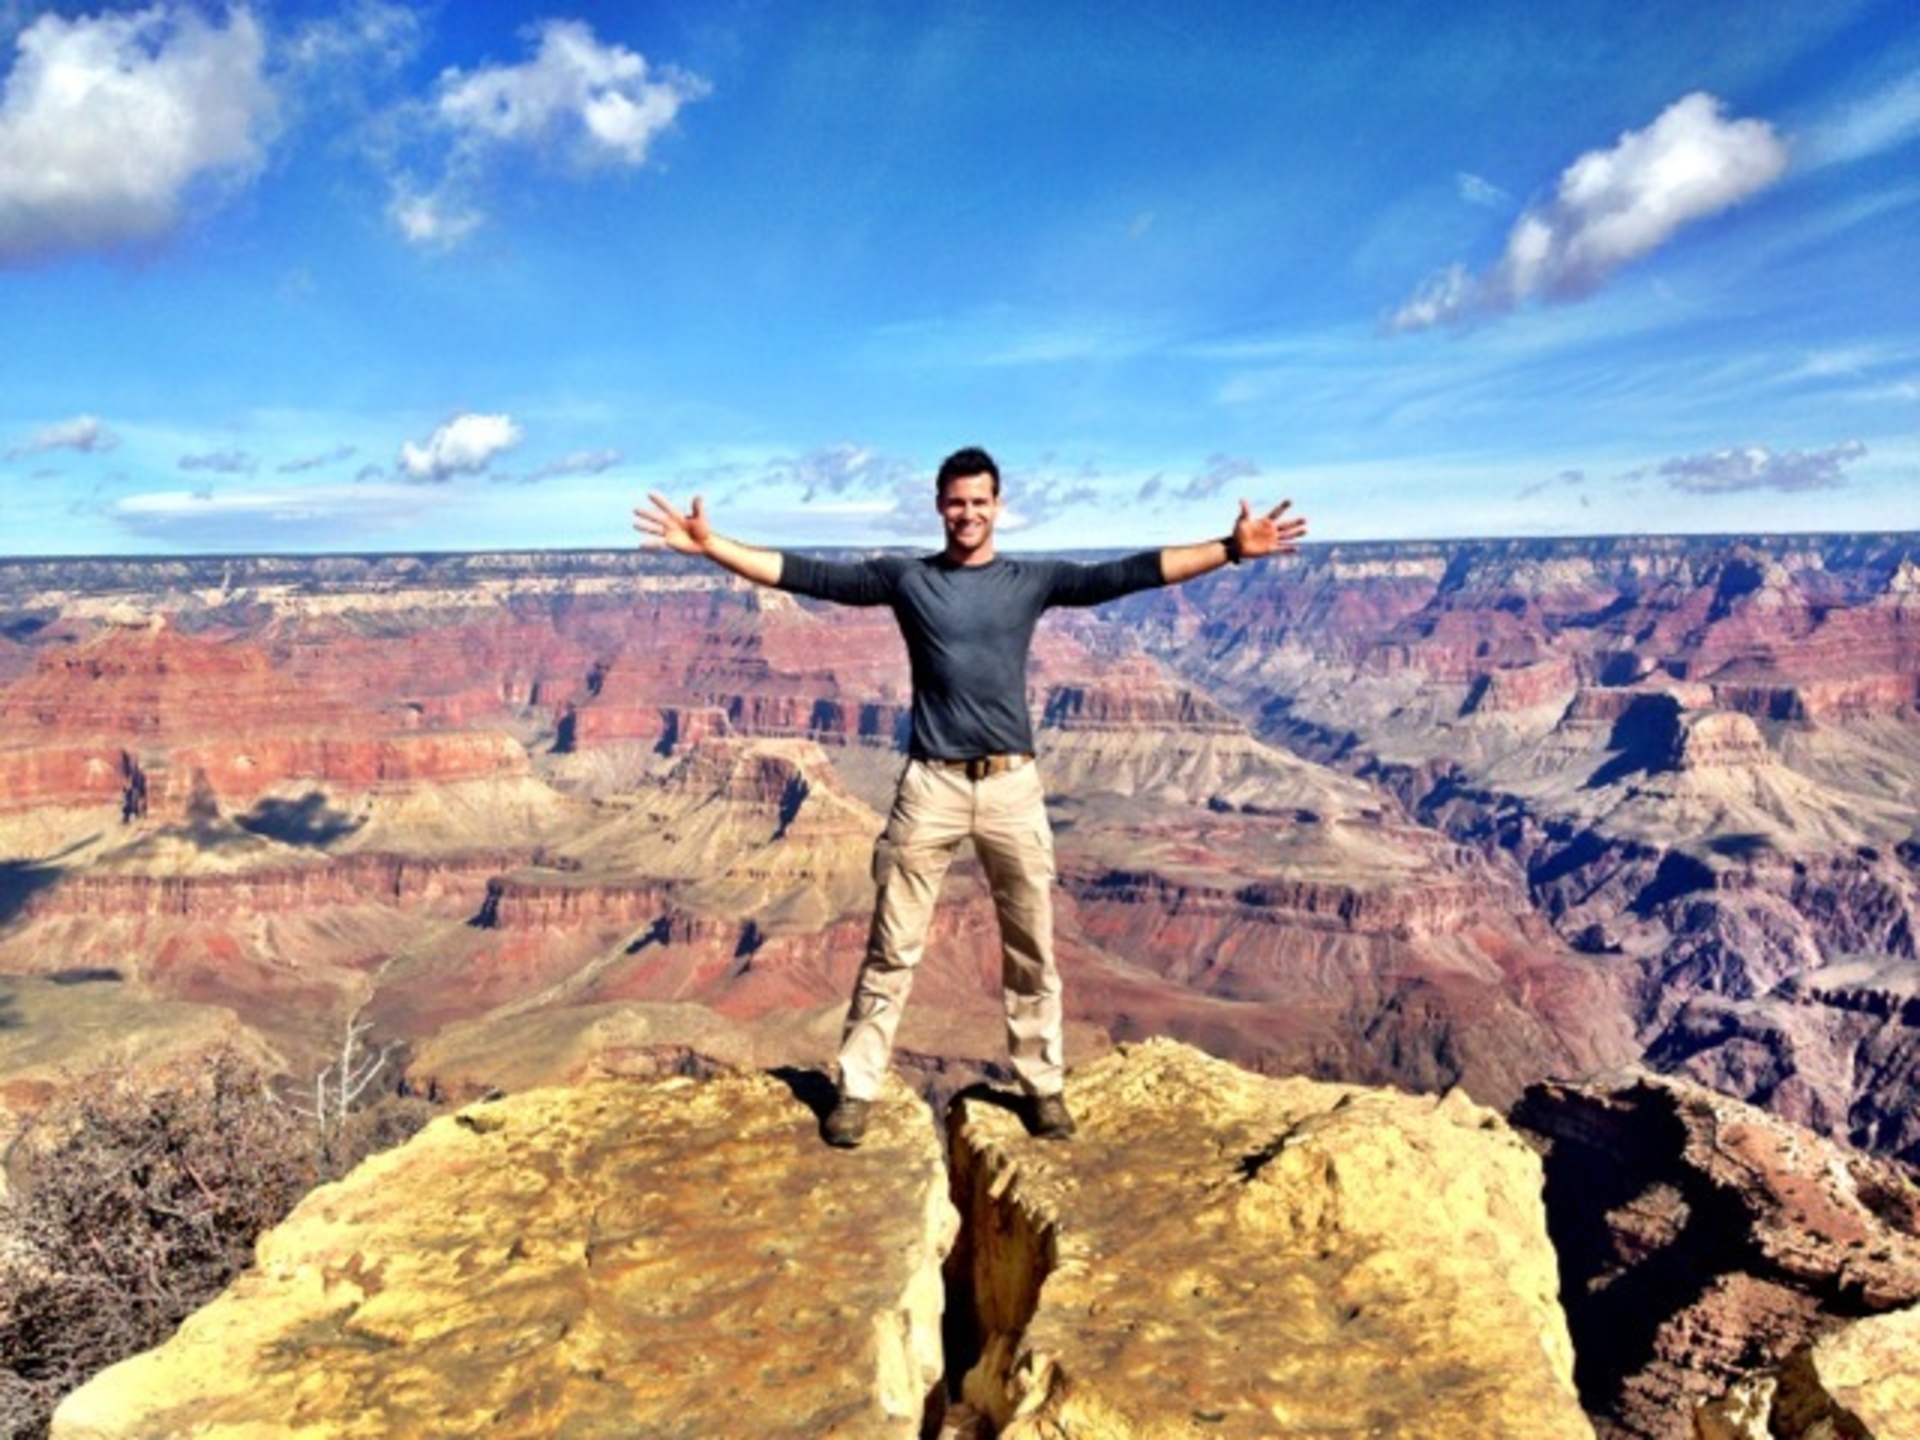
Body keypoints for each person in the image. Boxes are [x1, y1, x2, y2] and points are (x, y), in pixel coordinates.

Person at [635, 446, 1307, 1147]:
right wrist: (712, 546)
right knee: (893, 947)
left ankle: (1042, 1085)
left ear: (998, 506)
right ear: (938, 506)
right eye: (956, 502)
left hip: (1012, 784)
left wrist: (1231, 548)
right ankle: (856, 1089)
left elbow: (1127, 574)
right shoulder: (908, 580)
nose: (968, 513)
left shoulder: (1031, 580)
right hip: (930, 786)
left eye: (979, 501)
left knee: (1031, 947)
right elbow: (809, 575)